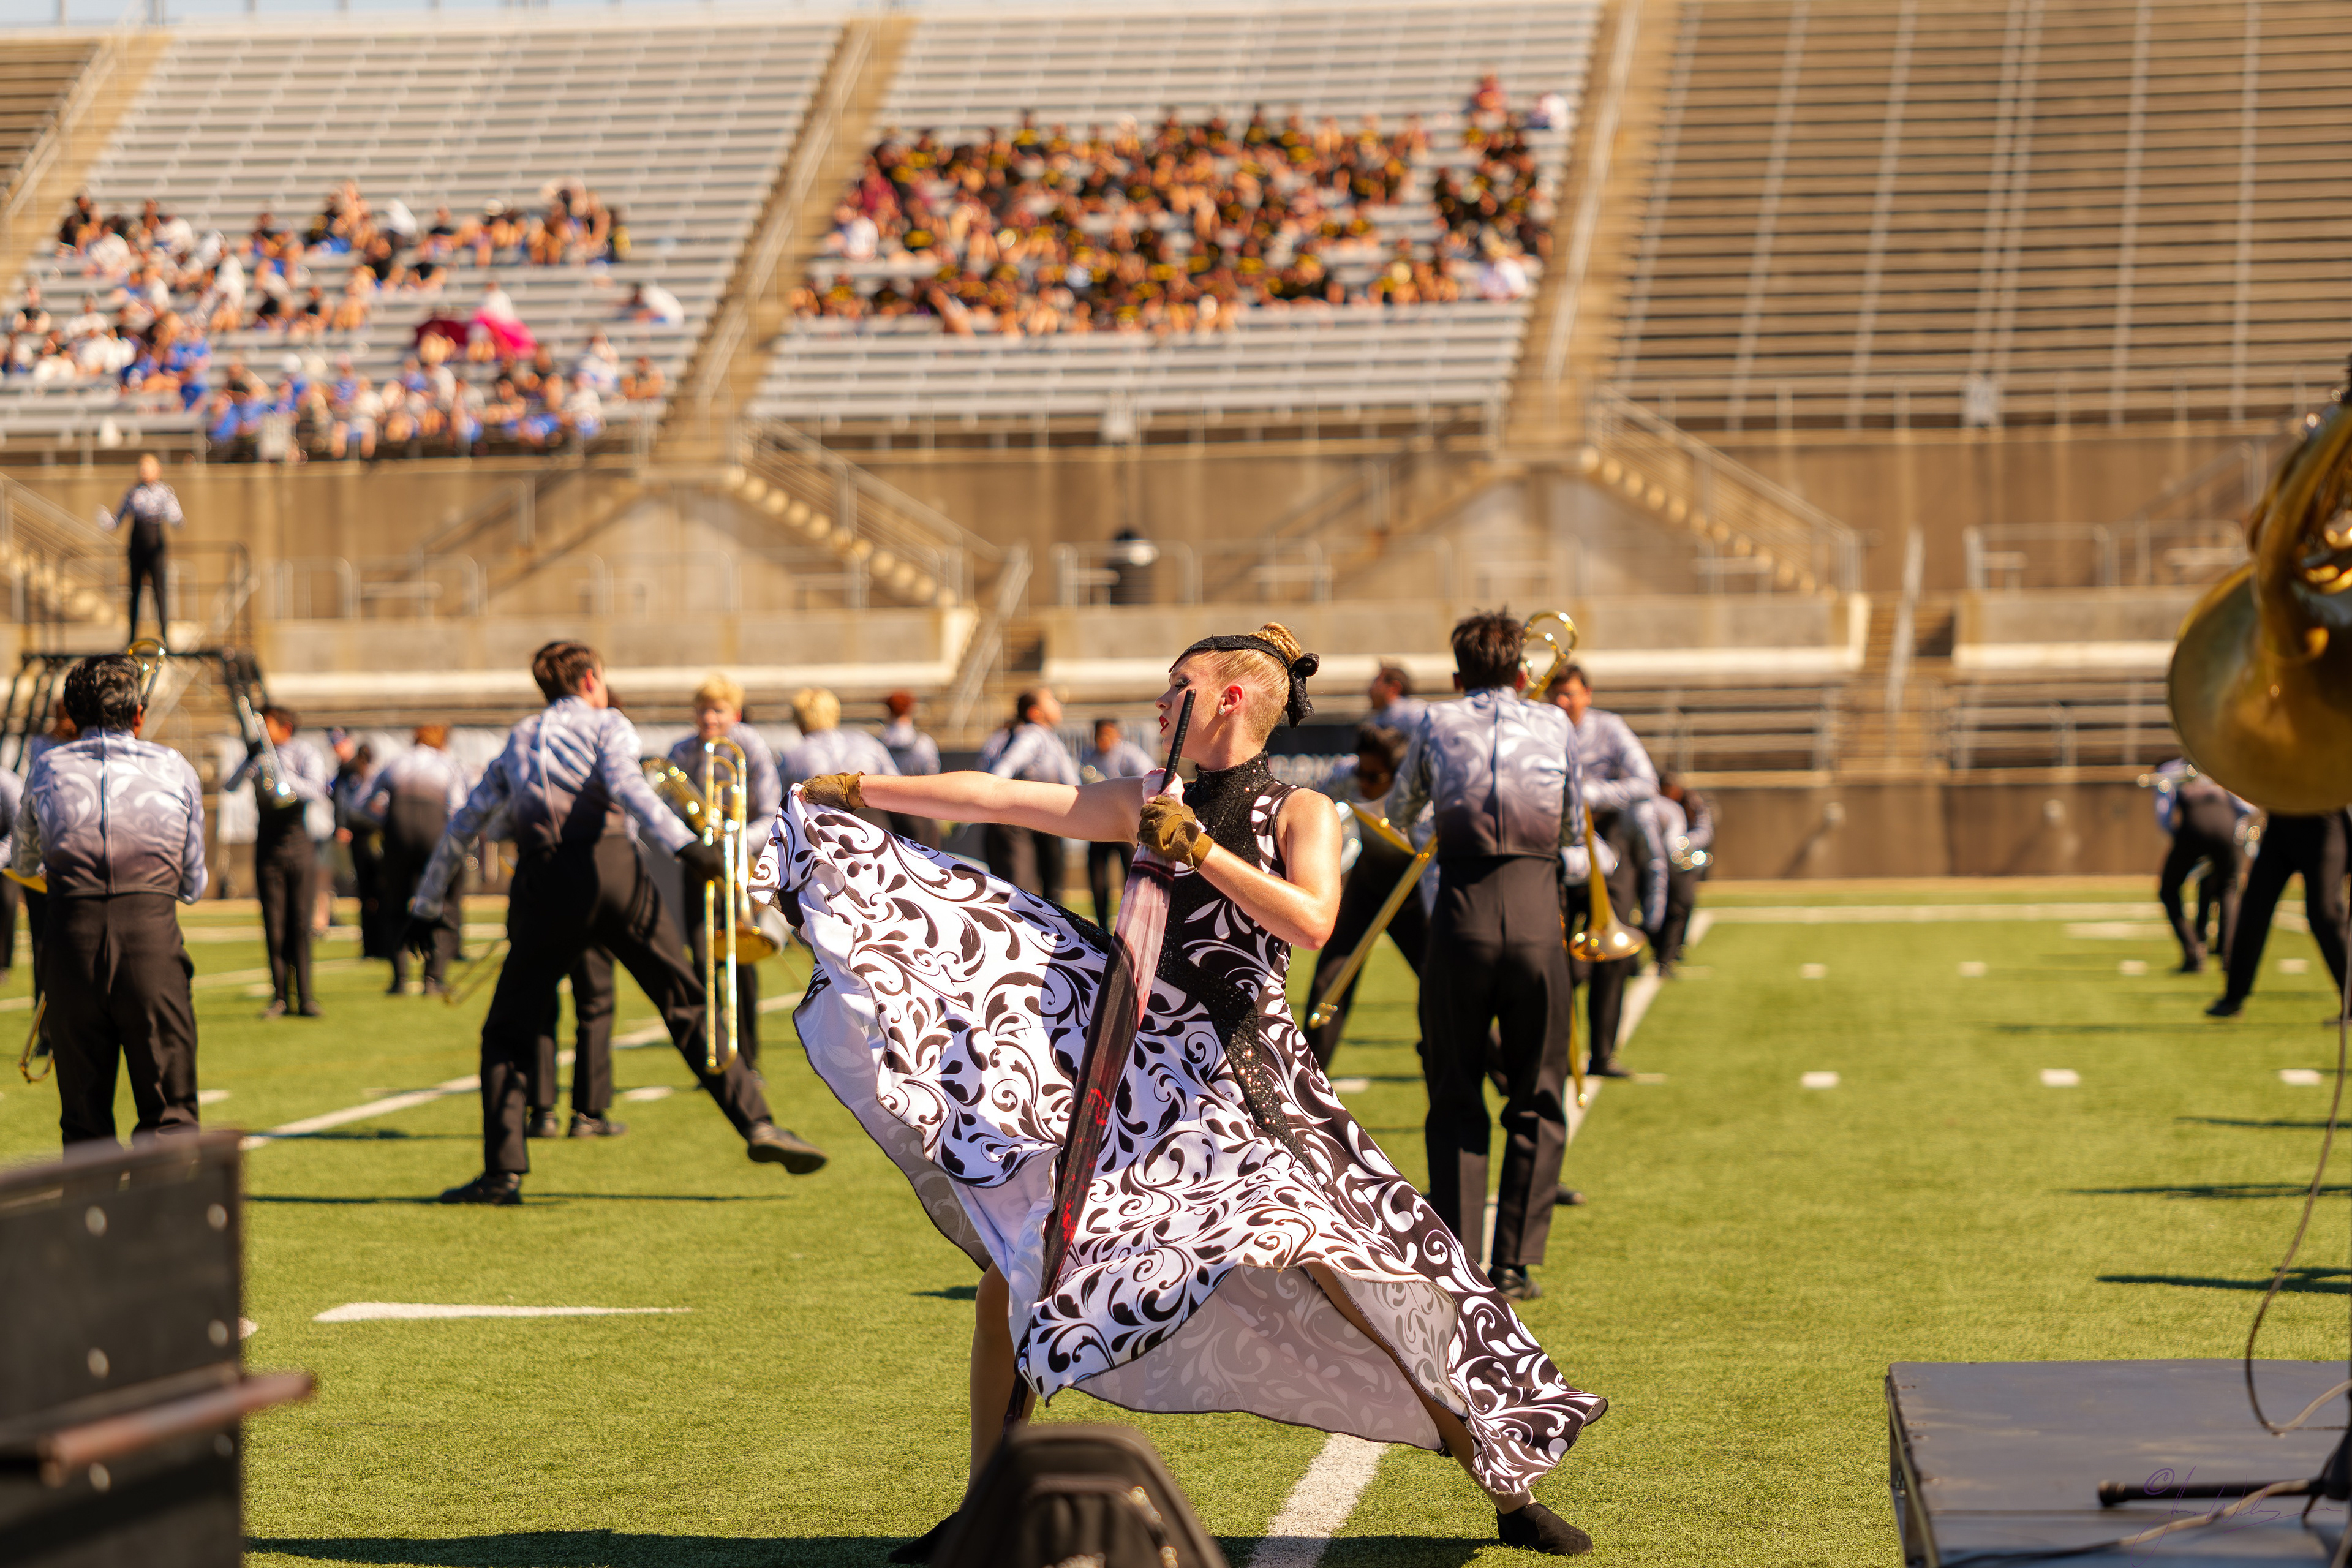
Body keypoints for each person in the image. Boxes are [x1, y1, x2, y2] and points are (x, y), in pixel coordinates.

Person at [774, 620, 1605, 1561]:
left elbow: (1313, 922)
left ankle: (1505, 1487)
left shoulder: (1302, 811)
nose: (1160, 703)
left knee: (1360, 1277)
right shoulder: (1147, 796)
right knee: (1016, 1278)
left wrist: (1201, 850)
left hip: (1255, 1089)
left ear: (1230, 698)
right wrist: (861, 791)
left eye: (1177, 687)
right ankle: (983, 1509)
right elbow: (1009, 798)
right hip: (1139, 1083)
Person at [402, 641, 826, 1205]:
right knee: (686, 1000)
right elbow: (627, 785)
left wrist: (425, 903)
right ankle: (757, 1123)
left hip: (545, 880)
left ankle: (502, 1173)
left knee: (507, 1029)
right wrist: (685, 847)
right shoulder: (608, 724)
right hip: (613, 870)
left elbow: (466, 821)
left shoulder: (523, 735)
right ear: (590, 680)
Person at [1388, 612, 1588, 1303]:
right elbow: (1572, 828)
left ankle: (1459, 1259)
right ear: (1524, 674)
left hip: (1461, 919)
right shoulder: (1556, 724)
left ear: (1457, 677)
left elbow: (1400, 812)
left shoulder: (1436, 722)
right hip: (1536, 919)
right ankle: (1514, 1264)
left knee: (1454, 1090)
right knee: (1538, 1094)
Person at [12, 654, 206, 1147]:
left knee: (84, 1125)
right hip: (151, 944)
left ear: (72, 715)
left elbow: (24, 862)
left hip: (71, 947)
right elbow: (193, 885)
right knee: (170, 1117)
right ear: (138, 714)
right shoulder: (175, 768)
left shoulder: (46, 768)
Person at [670, 674, 790, 1073]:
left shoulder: (750, 747)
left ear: (735, 714)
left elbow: (771, 813)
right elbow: (671, 810)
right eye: (703, 710)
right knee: (702, 962)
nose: (709, 718)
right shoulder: (682, 751)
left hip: (740, 865)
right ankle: (711, 1056)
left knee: (741, 962)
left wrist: (734, 843)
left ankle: (747, 1061)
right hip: (700, 866)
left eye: (718, 710)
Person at [1548, 664, 1659, 1077]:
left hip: (1606, 849)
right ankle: (1558, 1052)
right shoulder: (1538, 728)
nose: (1563, 702)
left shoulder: (1610, 728)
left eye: (1571, 694)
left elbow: (1646, 782)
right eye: (1556, 694)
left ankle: (1604, 1053)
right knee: (1551, 956)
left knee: (1613, 953)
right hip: (1556, 848)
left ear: (1588, 694)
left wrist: (1589, 795)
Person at [1303, 722, 1425, 1070]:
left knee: (1444, 988)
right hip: (1367, 885)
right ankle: (1306, 1080)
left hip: (1413, 892)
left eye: (1375, 777)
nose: (1364, 784)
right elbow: (1314, 813)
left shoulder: (1421, 793)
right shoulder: (1345, 778)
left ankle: (1506, 1073)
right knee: (1330, 982)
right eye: (1361, 772)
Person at [225, 706, 333, 1018]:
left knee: (300, 922)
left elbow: (317, 790)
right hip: (268, 845)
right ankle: (281, 997)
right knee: (274, 924)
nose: (261, 732)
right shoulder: (256, 756)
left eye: (267, 726)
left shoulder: (304, 753)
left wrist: (281, 772)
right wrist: (249, 759)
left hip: (299, 843)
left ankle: (307, 997)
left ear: (286, 727)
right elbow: (229, 786)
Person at [2207, 811, 2349, 1019]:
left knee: (2325, 912)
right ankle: (2233, 998)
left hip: (2323, 822)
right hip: (2280, 825)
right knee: (2253, 909)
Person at [366, 726, 469, 996]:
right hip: (435, 833)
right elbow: (457, 807)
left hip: (398, 834)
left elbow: (363, 803)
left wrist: (386, 822)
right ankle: (433, 979)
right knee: (441, 903)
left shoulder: (395, 762)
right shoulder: (448, 764)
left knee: (396, 903)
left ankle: (400, 979)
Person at [977, 689, 1079, 899]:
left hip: (1044, 815)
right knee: (1021, 887)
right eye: (1051, 701)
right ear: (1035, 712)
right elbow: (1007, 764)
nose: (1058, 705)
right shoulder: (1033, 734)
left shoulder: (1046, 735)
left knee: (1048, 886)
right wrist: (991, 791)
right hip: (1021, 815)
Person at [2149, 760, 2248, 974]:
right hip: (2227, 827)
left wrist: (2182, 839)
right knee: (2229, 888)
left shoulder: (2170, 771)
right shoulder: (2217, 767)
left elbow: (2164, 815)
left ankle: (2193, 953)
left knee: (2169, 889)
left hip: (2194, 827)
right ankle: (2229, 957)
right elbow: (2246, 807)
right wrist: (2235, 833)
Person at [1077, 716, 1155, 925]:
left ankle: (1133, 922)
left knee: (1131, 876)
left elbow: (1148, 776)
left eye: (1108, 734)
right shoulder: (1088, 756)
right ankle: (1102, 925)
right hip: (1099, 824)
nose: (1104, 740)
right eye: (1100, 735)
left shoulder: (1131, 754)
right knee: (1098, 878)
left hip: (1124, 824)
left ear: (1117, 735)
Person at [102, 453, 183, 645]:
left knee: (159, 590)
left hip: (155, 544)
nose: (143, 471)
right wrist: (106, 522)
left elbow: (178, 519)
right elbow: (117, 520)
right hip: (136, 544)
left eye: (148, 467)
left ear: (158, 470)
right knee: (134, 591)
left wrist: (174, 518)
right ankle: (131, 637)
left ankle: (165, 636)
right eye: (141, 468)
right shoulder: (133, 491)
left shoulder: (165, 491)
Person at [1651, 772, 1714, 975]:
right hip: (1656, 862)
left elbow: (1705, 831)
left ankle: (1671, 953)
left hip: (1682, 865)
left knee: (1682, 905)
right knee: (1656, 908)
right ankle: (1659, 952)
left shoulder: (1691, 803)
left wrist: (1683, 845)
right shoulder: (1656, 805)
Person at [331, 734, 388, 959]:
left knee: (368, 894)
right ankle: (378, 944)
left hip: (366, 835)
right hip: (372, 835)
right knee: (377, 892)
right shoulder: (358, 775)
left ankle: (372, 945)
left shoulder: (363, 776)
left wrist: (343, 825)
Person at [877, 690, 941, 849]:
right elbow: (933, 773)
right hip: (919, 809)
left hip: (890, 811)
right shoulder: (924, 742)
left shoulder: (879, 743)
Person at [0, 763, 20, 986]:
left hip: (11, 857)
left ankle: (1, 964)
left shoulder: (7, 782)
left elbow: (18, 831)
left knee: (6, 901)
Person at [1367, 660, 1427, 731]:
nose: (1370, 690)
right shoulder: (1381, 718)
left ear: (1394, 688)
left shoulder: (1412, 713)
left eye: (1376, 683)